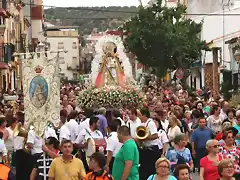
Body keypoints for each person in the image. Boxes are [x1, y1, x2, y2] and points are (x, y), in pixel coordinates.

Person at [138, 108, 160, 180]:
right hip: (147, 149)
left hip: (152, 150)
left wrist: (144, 138)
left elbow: (155, 135)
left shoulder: (151, 123)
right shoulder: (144, 123)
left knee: (151, 169)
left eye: (140, 115)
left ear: (144, 115)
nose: (139, 117)